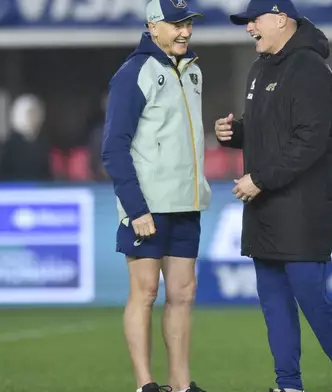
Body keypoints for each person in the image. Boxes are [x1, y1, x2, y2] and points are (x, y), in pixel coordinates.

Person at [214, 1, 332, 391]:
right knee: (274, 304)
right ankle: (288, 385)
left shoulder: (311, 68)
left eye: (254, 20)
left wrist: (260, 178)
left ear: (281, 19)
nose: (249, 28)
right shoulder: (260, 68)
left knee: (310, 295)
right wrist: (238, 133)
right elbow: (274, 131)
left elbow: (311, 140)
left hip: (302, 206)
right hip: (264, 206)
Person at [101, 0, 211, 391]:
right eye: (177, 24)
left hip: (187, 203)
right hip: (146, 207)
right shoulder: (134, 72)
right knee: (145, 292)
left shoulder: (193, 71)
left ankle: (180, 385)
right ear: (153, 26)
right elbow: (114, 148)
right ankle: (146, 385)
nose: (185, 31)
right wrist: (136, 208)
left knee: (183, 294)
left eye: (189, 24)